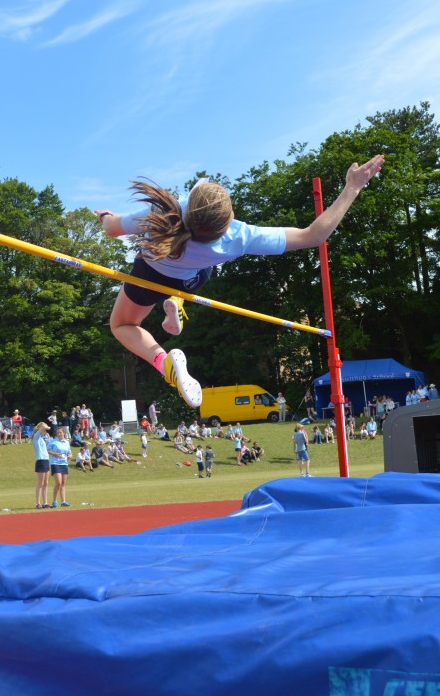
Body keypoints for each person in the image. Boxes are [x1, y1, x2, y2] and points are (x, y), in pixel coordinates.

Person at [94, 156, 384, 408]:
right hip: (189, 281)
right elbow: (313, 236)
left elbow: (111, 229)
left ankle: (164, 358)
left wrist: (106, 216)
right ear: (227, 218)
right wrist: (352, 187)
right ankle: (176, 309)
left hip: (149, 275)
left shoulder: (162, 213)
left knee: (122, 325)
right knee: (204, 272)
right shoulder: (237, 237)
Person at [48, 427, 72, 507]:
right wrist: (54, 454)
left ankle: (63, 501)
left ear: (64, 433)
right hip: (55, 463)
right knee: (58, 482)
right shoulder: (53, 441)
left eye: (60, 433)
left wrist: (70, 456)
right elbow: (47, 450)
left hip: (64, 463)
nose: (59, 434)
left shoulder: (66, 442)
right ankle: (54, 501)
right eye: (57, 433)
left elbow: (69, 453)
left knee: (63, 483)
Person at [32, 422, 51, 509]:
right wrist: (47, 426)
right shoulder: (36, 436)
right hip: (41, 460)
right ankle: (38, 503)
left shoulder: (42, 438)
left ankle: (45, 502)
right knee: (40, 483)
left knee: (46, 483)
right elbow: (43, 429)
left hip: (46, 460)